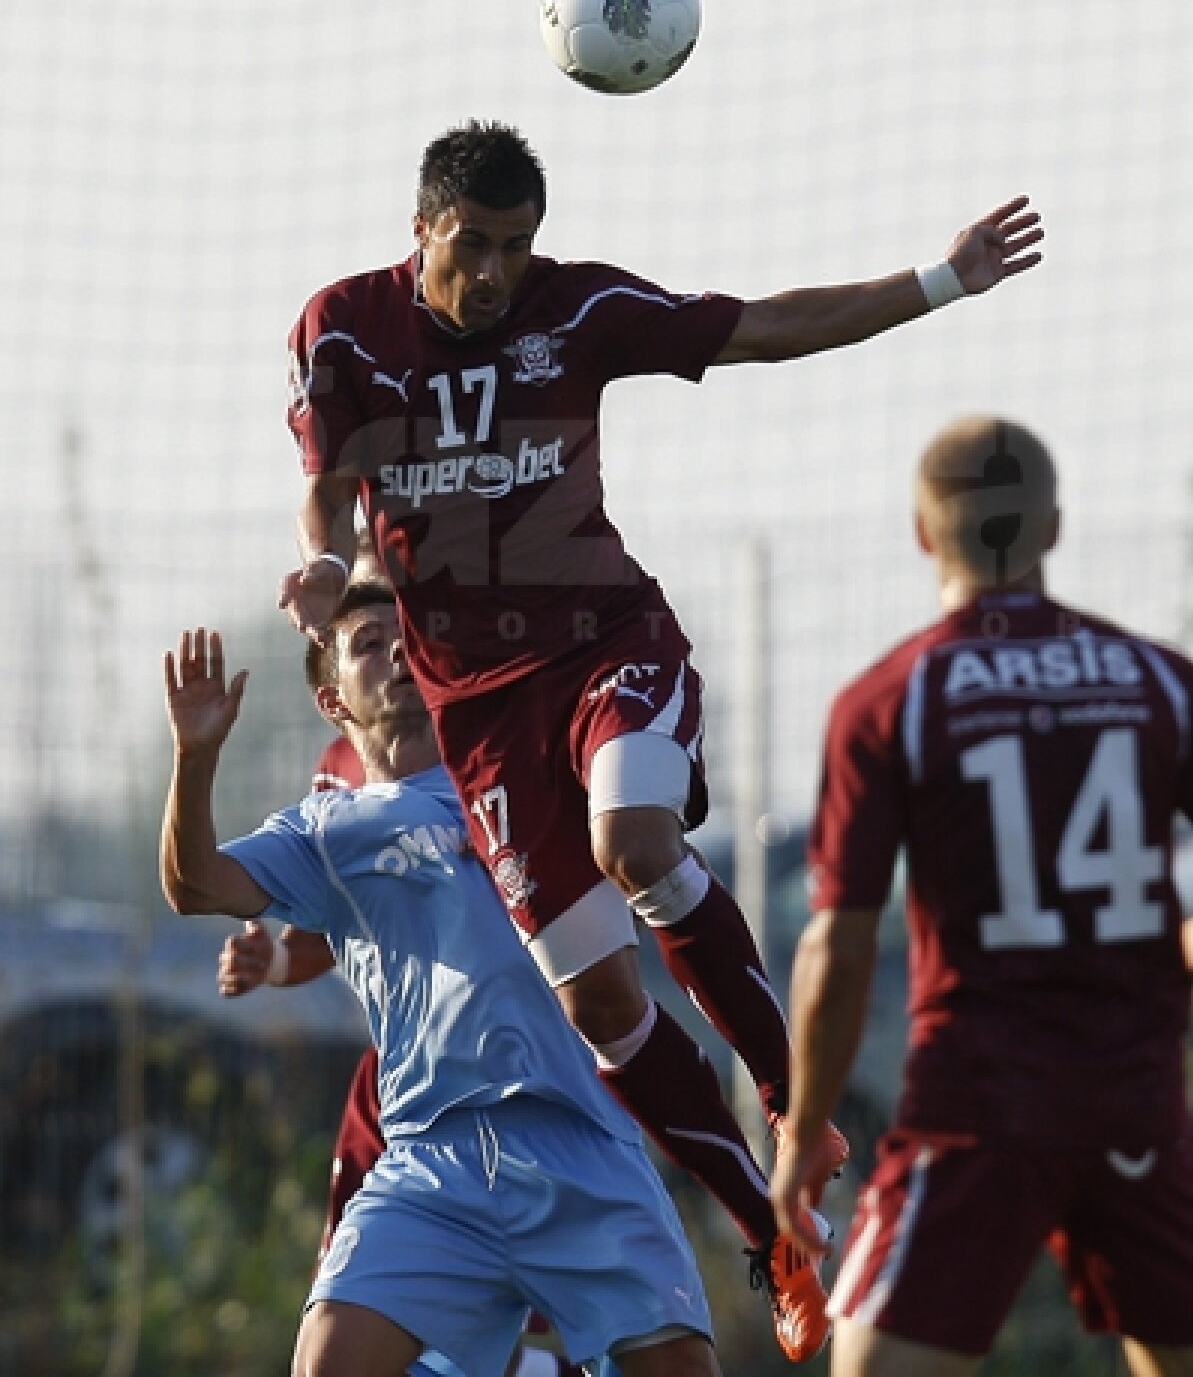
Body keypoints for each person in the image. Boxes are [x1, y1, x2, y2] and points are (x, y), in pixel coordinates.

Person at [277, 120, 1042, 1358]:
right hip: (477, 711)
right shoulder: (345, 326)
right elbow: (323, 480)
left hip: (603, 645)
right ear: (421, 229)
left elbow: (759, 327)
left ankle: (793, 1087)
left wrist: (941, 278)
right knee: (603, 1007)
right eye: (471, 245)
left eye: (516, 248)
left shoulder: (576, 314)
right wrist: (320, 563)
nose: (491, 274)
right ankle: (771, 1229)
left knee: (635, 834)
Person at [163, 584, 719, 1377]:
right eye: (365, 643)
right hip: (434, 1164)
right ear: (331, 699)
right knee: (326, 1364)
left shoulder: (530, 776)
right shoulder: (328, 830)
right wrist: (195, 758)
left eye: (410, 636)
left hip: (584, 1144)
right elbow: (194, 885)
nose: (396, 651)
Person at [771, 415, 1193, 1377]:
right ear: (1053, 528)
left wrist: (804, 1128)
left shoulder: (893, 697)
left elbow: (835, 948)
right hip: (1137, 1104)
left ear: (925, 533)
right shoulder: (1162, 683)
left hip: (979, 1108)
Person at [219, 742, 586, 1377]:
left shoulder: (499, 727)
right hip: (405, 1090)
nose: (389, 650)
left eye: (393, 635)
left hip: (527, 1083)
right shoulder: (340, 768)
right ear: (331, 693)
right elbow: (326, 930)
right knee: (351, 1322)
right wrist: (275, 963)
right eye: (348, 638)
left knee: (524, 1310)